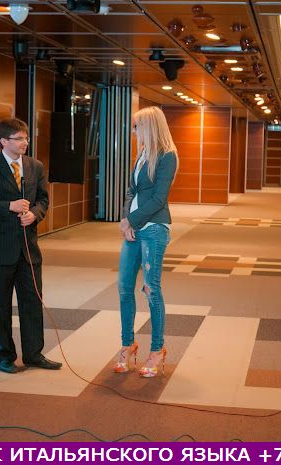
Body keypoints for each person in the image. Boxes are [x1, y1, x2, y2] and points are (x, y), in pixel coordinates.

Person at [0, 118, 62, 374]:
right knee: (1, 305)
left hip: (28, 248)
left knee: (32, 302)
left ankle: (34, 354)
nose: (25, 142)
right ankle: (5, 356)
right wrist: (8, 206)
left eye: (26, 138)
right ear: (3, 141)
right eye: (19, 138)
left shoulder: (35, 166)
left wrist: (34, 214)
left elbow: (43, 199)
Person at [115, 106, 179, 378]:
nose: (133, 131)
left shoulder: (167, 155)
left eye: (136, 126)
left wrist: (132, 220)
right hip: (135, 228)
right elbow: (132, 191)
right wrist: (126, 220)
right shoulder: (142, 154)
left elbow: (158, 199)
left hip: (154, 229)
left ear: (149, 126)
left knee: (151, 289)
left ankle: (156, 349)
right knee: (124, 287)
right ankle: (128, 345)